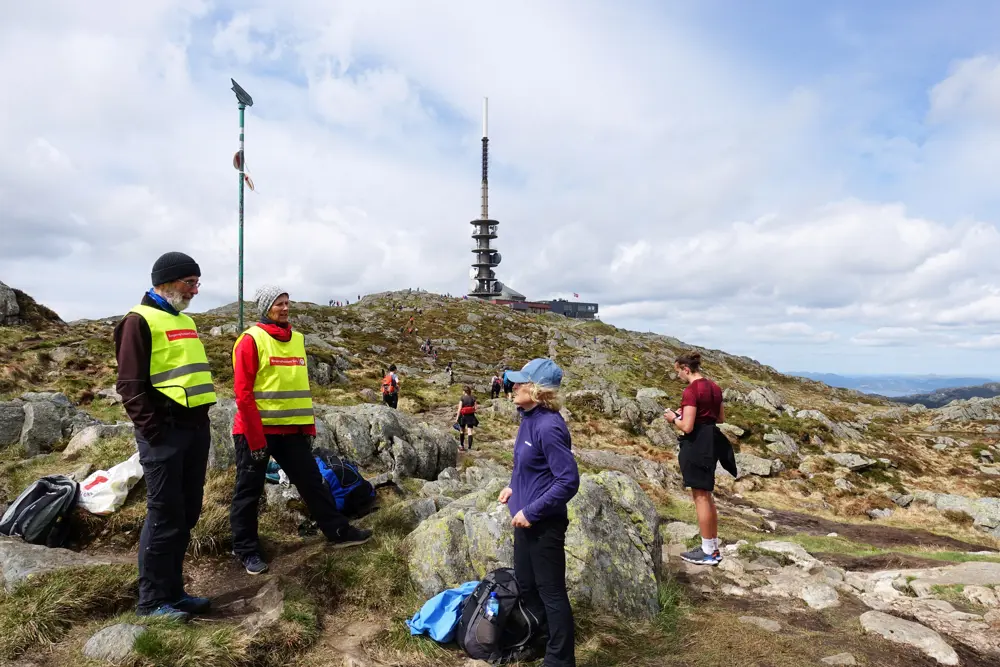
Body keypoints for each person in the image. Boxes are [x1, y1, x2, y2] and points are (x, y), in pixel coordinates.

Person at [230, 286, 372, 575]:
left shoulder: (297, 340)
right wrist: (256, 440)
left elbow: (300, 389)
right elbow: (243, 394)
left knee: (312, 483)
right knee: (249, 491)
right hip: (255, 432)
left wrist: (308, 427)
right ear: (265, 308)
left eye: (286, 302)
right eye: (278, 304)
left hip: (291, 432)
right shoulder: (250, 340)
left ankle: (337, 531)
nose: (284, 308)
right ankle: (245, 549)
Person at [114, 252, 216, 622]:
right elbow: (130, 386)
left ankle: (174, 592)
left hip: (194, 430)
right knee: (164, 514)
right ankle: (151, 602)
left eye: (196, 283)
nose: (195, 290)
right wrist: (155, 432)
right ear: (167, 281)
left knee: (187, 512)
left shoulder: (184, 319)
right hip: (165, 434)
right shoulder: (137, 321)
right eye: (190, 282)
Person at [498, 358, 579, 667]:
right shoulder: (528, 418)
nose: (514, 386)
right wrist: (512, 488)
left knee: (552, 593)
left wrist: (531, 510)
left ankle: (560, 660)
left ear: (538, 390)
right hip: (525, 521)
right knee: (527, 585)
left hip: (545, 524)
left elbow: (568, 480)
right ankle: (540, 639)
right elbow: (527, 466)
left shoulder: (549, 426)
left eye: (521, 382)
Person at [663, 351, 736, 566]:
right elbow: (720, 417)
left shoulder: (691, 390)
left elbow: (687, 426)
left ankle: (707, 553)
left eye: (679, 372)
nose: (679, 377)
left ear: (686, 369)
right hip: (711, 441)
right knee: (707, 495)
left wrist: (673, 417)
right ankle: (712, 547)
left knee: (700, 497)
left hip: (696, 444)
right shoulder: (714, 387)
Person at [455, 385, 479, 451]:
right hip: (471, 416)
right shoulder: (473, 398)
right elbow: (476, 408)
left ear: (464, 391)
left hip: (463, 416)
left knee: (462, 430)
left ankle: (462, 446)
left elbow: (459, 409)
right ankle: (469, 447)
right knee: (470, 432)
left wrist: (457, 417)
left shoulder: (462, 398)